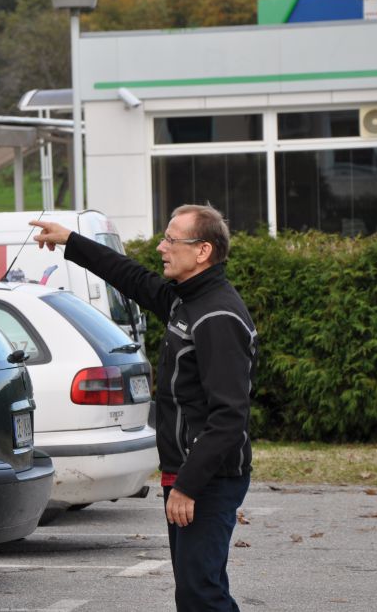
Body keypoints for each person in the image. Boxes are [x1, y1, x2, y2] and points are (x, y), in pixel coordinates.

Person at [31, 204, 257, 612]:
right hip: (186, 473)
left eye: (172, 240)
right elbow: (131, 277)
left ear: (203, 251)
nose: (161, 247)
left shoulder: (217, 316)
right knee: (197, 589)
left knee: (201, 593)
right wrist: (71, 241)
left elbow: (229, 418)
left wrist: (188, 486)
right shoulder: (185, 300)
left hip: (208, 479)